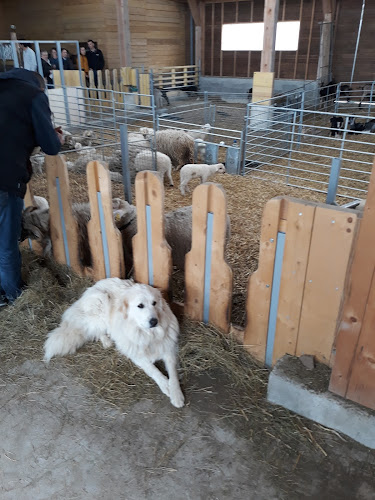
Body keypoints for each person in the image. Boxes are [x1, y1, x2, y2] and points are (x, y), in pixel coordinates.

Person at [0, 69, 63, 306]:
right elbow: (51, 146)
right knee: (6, 243)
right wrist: (54, 137)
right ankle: (13, 295)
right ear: (41, 84)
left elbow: (10, 131)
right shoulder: (33, 95)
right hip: (4, 178)